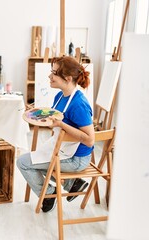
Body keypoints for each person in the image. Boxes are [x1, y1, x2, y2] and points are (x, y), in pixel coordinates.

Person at [17, 56, 94, 213]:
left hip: (76, 158)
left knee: (23, 162)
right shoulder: (59, 96)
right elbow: (53, 119)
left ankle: (48, 195)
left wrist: (61, 124)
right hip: (63, 149)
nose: (49, 76)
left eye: (53, 73)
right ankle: (71, 184)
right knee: (37, 161)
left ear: (67, 78)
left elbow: (90, 140)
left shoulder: (79, 104)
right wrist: (35, 113)